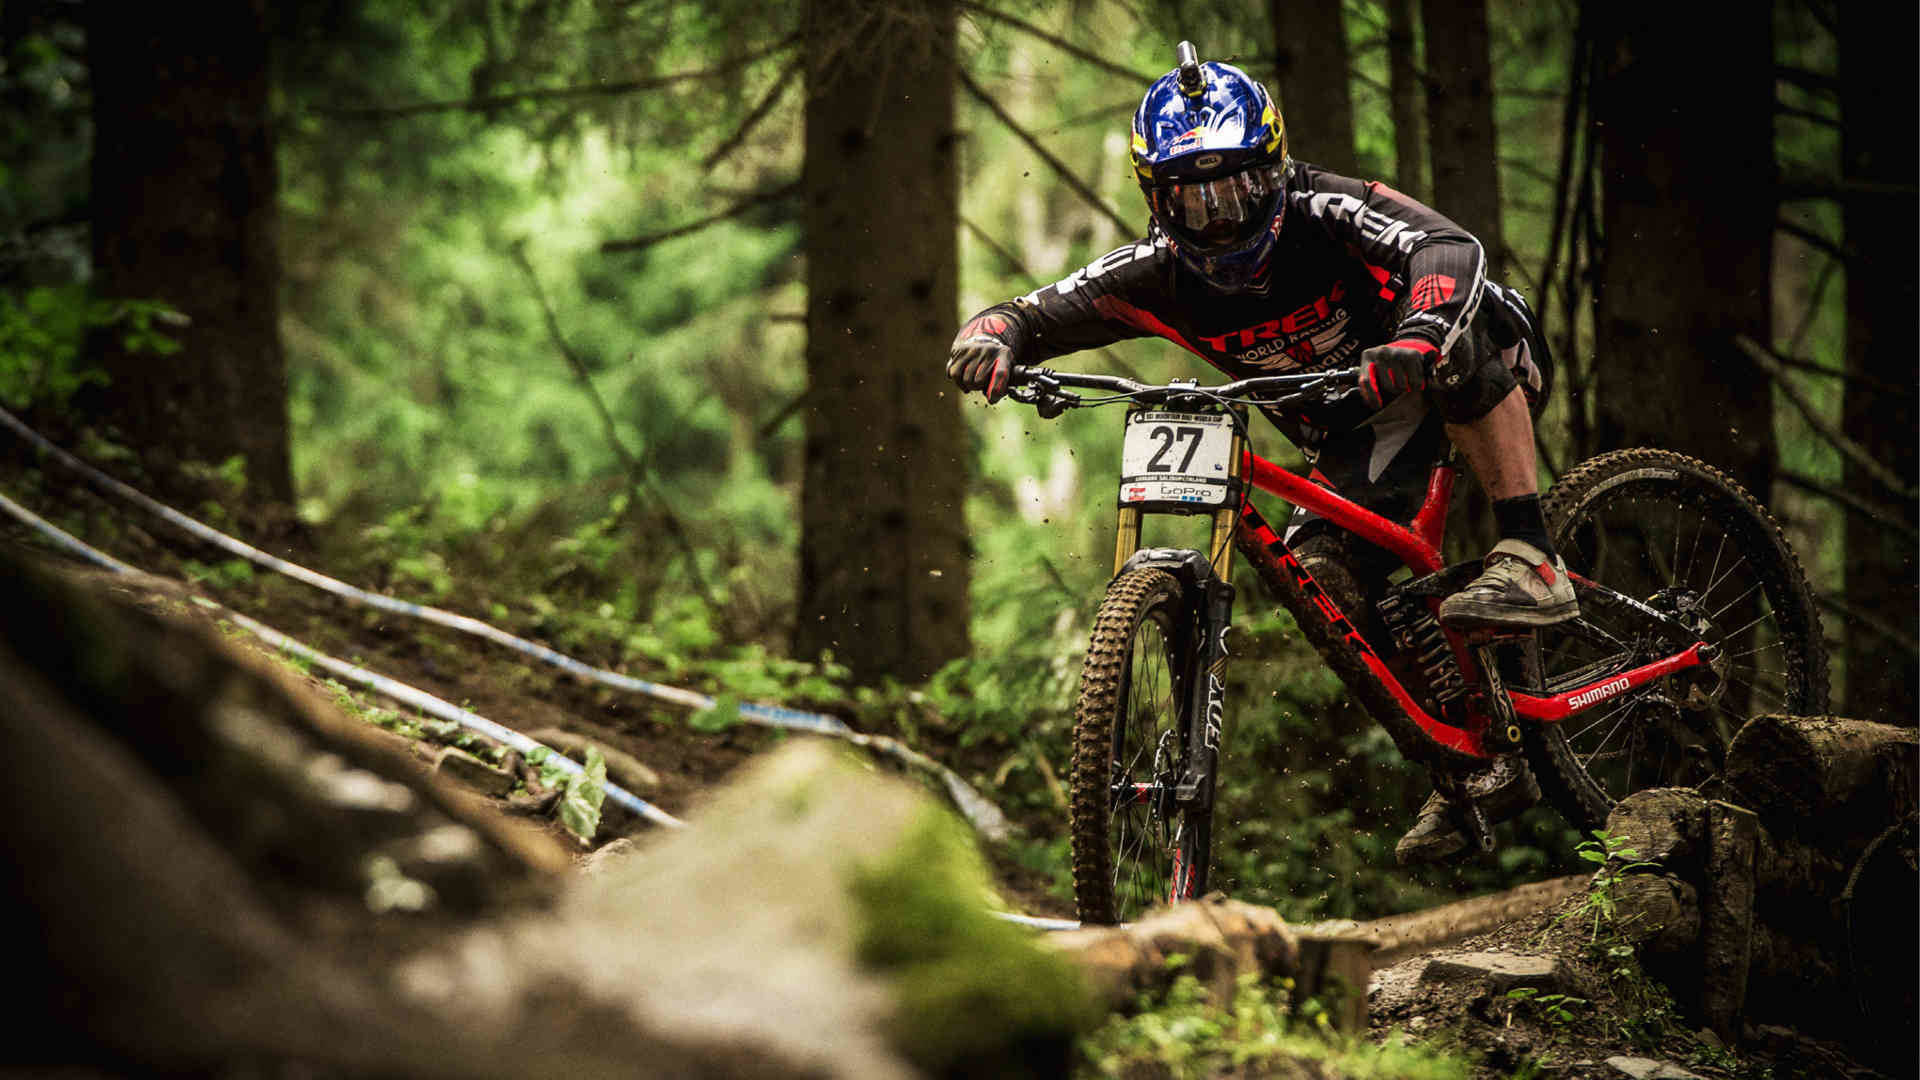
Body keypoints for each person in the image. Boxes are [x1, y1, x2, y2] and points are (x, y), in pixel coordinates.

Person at [945, 43, 1572, 863]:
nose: (1219, 219)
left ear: (1274, 170)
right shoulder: (1156, 273)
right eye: (1191, 201)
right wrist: (990, 334)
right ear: (1155, 201)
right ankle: (1470, 768)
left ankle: (1533, 551)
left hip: (1462, 354)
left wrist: (1419, 332)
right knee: (1324, 583)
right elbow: (1030, 311)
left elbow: (1448, 247)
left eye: (1236, 189)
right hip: (1360, 430)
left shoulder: (1327, 210)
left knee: (1462, 339)